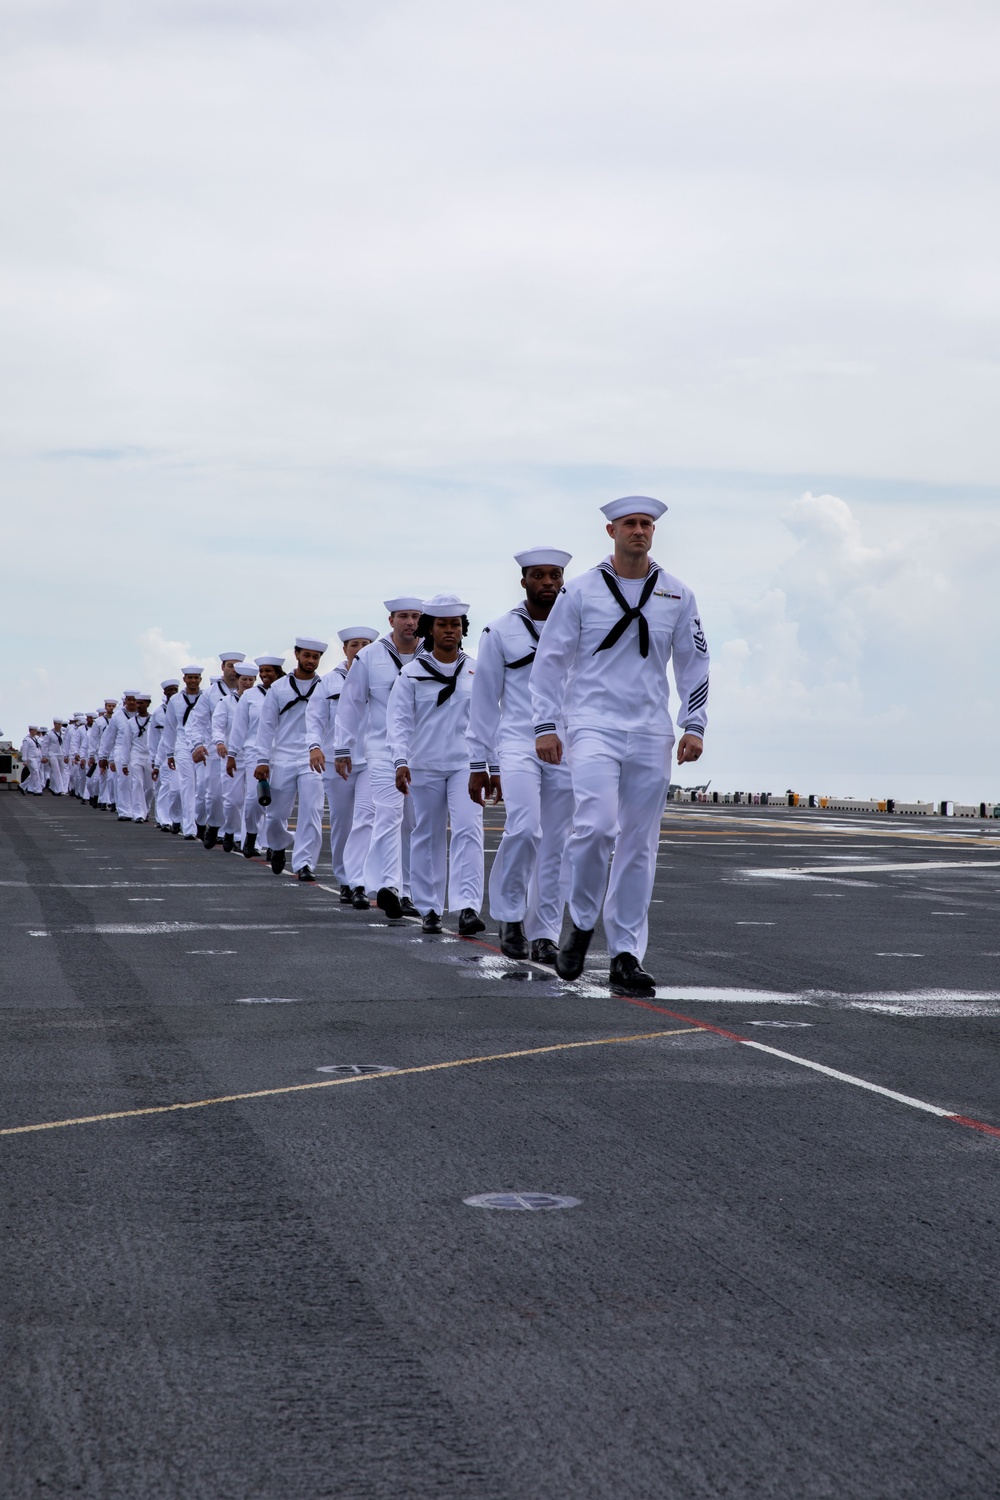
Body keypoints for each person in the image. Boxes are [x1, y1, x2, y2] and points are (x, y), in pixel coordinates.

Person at [530, 496, 710, 993]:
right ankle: (582, 922)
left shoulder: (677, 594)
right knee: (593, 825)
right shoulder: (581, 591)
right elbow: (549, 663)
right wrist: (545, 726)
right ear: (610, 531)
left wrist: (694, 725)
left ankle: (627, 954)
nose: (639, 531)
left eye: (646, 524)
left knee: (639, 844)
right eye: (630, 524)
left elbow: (694, 664)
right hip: (592, 724)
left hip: (651, 730)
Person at [467, 547, 574, 964]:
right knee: (526, 828)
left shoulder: (579, 627)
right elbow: (483, 701)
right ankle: (510, 916)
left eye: (556, 575)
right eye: (539, 576)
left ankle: (545, 932)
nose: (548, 582)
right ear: (524, 581)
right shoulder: (499, 632)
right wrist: (480, 763)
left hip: (566, 745)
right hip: (516, 742)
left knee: (556, 844)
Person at [387, 595, 485, 936]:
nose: (449, 630)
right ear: (430, 628)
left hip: (465, 765)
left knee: (469, 830)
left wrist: (488, 763)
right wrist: (400, 761)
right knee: (426, 835)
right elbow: (398, 722)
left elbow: (488, 720)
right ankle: (429, 908)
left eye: (455, 624)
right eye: (442, 624)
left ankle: (468, 907)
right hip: (423, 766)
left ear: (463, 629)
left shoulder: (476, 670)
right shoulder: (411, 673)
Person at [334, 597, 425, 919]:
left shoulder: (432, 654)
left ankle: (408, 890)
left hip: (423, 751)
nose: (410, 622)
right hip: (382, 749)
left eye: (416, 617)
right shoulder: (370, 656)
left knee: (413, 823)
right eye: (404, 616)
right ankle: (372, 884)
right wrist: (343, 747)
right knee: (384, 815)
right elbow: (351, 703)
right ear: (391, 620)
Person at [307, 627, 379, 902]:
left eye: (365, 644)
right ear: (345, 649)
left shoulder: (381, 678)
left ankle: (358, 882)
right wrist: (314, 747)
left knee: (366, 819)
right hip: (336, 762)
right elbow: (314, 718)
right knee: (342, 823)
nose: (360, 649)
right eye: (354, 645)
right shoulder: (329, 683)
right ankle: (344, 878)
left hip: (371, 760)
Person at [252, 637, 327, 881]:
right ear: (296, 655)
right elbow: (266, 726)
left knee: (311, 811)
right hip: (282, 757)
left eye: (316, 657)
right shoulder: (279, 688)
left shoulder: (325, 686)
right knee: (274, 815)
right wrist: (262, 759)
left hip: (313, 758)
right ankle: (279, 842)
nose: (311, 661)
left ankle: (304, 863)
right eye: (307, 655)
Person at [213, 661, 257, 850]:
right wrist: (220, 742)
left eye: (251, 680)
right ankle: (230, 829)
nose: (247, 683)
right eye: (244, 679)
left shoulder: (260, 700)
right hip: (233, 755)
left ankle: (249, 840)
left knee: (254, 799)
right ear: (238, 680)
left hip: (255, 754)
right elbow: (217, 726)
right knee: (232, 801)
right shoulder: (225, 703)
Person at [159, 666, 207, 838]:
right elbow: (170, 728)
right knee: (185, 786)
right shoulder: (175, 700)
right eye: (190, 678)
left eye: (196, 677)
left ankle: (200, 821)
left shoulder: (206, 697)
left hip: (202, 745)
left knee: (202, 787)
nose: (193, 681)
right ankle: (189, 828)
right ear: (184, 679)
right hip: (182, 745)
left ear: (200, 679)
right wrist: (169, 753)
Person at [100, 692, 138, 819]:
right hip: (120, 750)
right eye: (129, 699)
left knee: (139, 782)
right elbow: (109, 737)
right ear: (125, 701)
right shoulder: (117, 716)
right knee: (123, 780)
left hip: (138, 750)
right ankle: (124, 811)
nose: (132, 702)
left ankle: (139, 810)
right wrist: (104, 757)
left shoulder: (142, 714)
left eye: (134, 700)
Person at [150, 680, 180, 830]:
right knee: (166, 787)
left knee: (179, 789)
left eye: (175, 689)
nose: (173, 692)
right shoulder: (158, 713)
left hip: (183, 751)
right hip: (164, 754)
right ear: (165, 692)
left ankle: (178, 819)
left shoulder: (182, 705)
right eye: (170, 690)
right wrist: (155, 761)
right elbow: (155, 738)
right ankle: (164, 820)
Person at [120, 693, 154, 821]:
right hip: (136, 755)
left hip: (150, 755)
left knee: (151, 787)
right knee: (137, 783)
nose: (139, 706)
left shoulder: (154, 720)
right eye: (137, 703)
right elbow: (126, 743)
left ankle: (146, 809)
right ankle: (139, 813)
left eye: (142, 703)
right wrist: (124, 762)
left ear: (148, 704)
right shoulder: (131, 722)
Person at [41, 719, 70, 795]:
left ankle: (53, 787)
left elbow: (65, 744)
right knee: (56, 771)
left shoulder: (63, 733)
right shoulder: (49, 734)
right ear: (54, 724)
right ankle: (60, 790)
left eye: (60, 724)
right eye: (58, 724)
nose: (59, 726)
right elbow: (45, 745)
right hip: (52, 754)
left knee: (62, 771)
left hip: (61, 754)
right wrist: (45, 756)